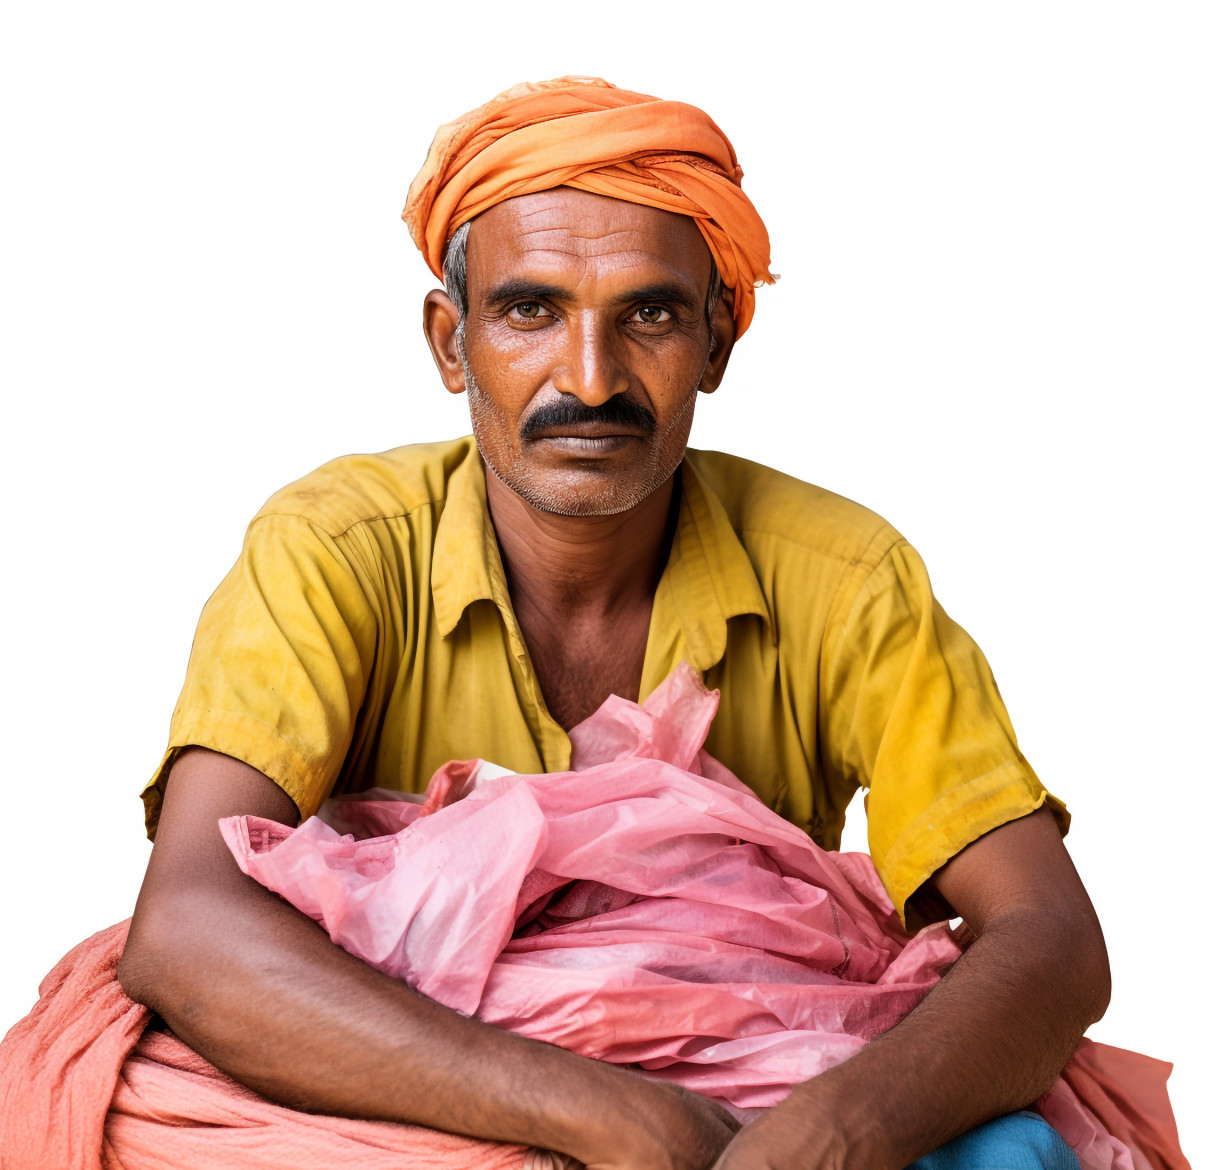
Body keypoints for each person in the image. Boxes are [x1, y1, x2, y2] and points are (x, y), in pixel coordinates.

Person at [115, 77, 1110, 1170]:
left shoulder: (840, 576)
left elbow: (1048, 940)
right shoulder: (335, 550)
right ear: (451, 344)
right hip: (407, 1096)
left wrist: (831, 1137)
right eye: (530, 310)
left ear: (717, 346)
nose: (588, 380)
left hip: (759, 1103)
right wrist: (598, 1116)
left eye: (649, 314)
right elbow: (189, 929)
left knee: (1018, 1154)